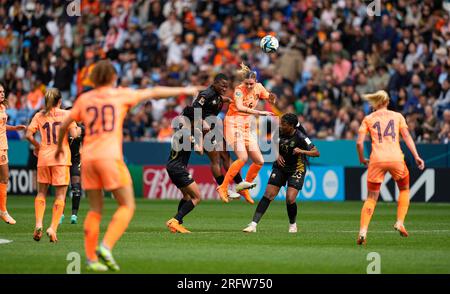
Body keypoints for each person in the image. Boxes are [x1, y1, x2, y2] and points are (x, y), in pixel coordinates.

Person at [55, 60, 200, 272]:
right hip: (110, 157)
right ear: (113, 77)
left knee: (95, 210)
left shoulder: (84, 99)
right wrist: (185, 89)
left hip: (89, 159)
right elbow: (154, 91)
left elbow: (65, 123)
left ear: (93, 78)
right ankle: (106, 246)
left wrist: (60, 147)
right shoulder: (119, 94)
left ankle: (90, 257)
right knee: (127, 205)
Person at [356, 90, 425, 245]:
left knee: (371, 198)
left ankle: (363, 231)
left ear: (376, 103)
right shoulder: (398, 116)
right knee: (404, 189)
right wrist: (416, 156)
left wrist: (361, 159)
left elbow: (359, 143)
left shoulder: (368, 118)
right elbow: (407, 137)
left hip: (377, 159)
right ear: (387, 102)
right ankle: (400, 222)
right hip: (396, 158)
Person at [243, 113, 320, 233]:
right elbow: (274, 140)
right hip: (280, 167)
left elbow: (316, 152)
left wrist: (302, 151)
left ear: (291, 126)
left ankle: (293, 224)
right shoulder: (278, 131)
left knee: (290, 198)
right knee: (268, 194)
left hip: (296, 169)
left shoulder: (301, 137)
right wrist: (277, 154)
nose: (281, 126)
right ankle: (253, 225)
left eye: (284, 124)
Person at [216, 63, 276, 204]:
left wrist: (271, 97)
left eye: (251, 84)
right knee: (242, 157)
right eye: (247, 84)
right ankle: (223, 187)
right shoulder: (238, 90)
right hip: (232, 124)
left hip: (246, 126)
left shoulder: (259, 87)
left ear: (255, 81)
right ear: (243, 82)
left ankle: (244, 187)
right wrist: (259, 112)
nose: (249, 86)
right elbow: (239, 107)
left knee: (259, 160)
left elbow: (268, 96)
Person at [25, 89, 79, 242]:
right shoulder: (67, 114)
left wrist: (37, 146)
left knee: (41, 193)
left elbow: (28, 135)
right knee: (60, 195)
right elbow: (74, 135)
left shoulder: (39, 115)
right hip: (61, 158)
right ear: (60, 101)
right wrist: (78, 130)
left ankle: (38, 224)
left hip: (44, 158)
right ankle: (53, 228)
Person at [190, 73, 242, 199]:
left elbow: (216, 100)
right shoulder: (205, 94)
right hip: (204, 130)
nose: (225, 89)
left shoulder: (217, 95)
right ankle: (223, 188)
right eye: (222, 86)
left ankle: (240, 183)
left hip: (214, 129)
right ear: (215, 83)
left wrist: (227, 100)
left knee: (226, 155)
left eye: (226, 87)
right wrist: (203, 122)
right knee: (216, 159)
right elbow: (194, 109)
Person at [166, 106, 204, 233]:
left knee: (187, 196)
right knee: (197, 197)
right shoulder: (188, 134)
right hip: (178, 168)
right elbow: (200, 152)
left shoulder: (182, 130)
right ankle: (175, 220)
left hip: (172, 166)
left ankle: (177, 223)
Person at [0, 84, 26, 224]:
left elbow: (2, 126)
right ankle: (3, 211)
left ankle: (3, 210)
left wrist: (15, 128)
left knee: (4, 178)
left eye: (3, 91)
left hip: (3, 147)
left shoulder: (3, 108)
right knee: (4, 178)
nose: (2, 94)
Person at [60, 123, 84, 225]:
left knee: (76, 187)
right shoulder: (62, 129)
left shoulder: (81, 129)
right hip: (64, 159)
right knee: (62, 188)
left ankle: (74, 215)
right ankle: (60, 214)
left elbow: (84, 146)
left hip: (75, 160)